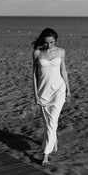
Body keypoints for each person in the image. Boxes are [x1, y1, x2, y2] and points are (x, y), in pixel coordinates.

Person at [32, 28, 71, 165]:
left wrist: (68, 89)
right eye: (47, 43)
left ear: (56, 41)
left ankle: (45, 155)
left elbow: (63, 70)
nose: (49, 46)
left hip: (58, 90)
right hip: (43, 92)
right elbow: (35, 74)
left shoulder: (61, 52)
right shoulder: (37, 52)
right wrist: (35, 93)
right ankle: (54, 140)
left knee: (52, 121)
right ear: (43, 41)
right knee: (47, 122)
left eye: (52, 43)